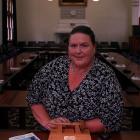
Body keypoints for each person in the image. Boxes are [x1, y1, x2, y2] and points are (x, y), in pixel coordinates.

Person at [26, 25, 123, 134]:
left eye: (84, 45)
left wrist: (76, 126)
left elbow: (111, 119)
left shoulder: (106, 75)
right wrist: (48, 123)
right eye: (73, 45)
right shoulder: (54, 67)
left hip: (87, 136)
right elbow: (33, 97)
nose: (78, 51)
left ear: (94, 48)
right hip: (51, 134)